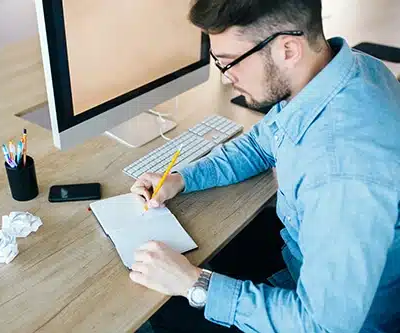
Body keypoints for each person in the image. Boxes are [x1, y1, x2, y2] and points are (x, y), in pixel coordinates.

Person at [129, 0, 400, 332]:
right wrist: (182, 178)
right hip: (306, 259)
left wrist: (193, 284)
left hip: (328, 316)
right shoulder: (345, 70)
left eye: (230, 63)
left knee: (165, 313)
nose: (227, 79)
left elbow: (322, 325)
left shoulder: (341, 170)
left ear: (288, 49)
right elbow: (263, 141)